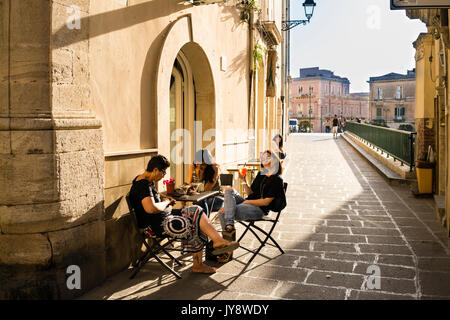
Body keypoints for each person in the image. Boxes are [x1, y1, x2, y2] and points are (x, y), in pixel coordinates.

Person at [128, 155, 239, 274]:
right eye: (163, 172)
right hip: (158, 226)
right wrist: (166, 202)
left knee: (196, 209)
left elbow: (150, 196)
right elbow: (151, 208)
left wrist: (164, 197)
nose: (163, 175)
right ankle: (198, 265)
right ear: (155, 170)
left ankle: (217, 240)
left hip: (165, 218)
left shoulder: (144, 180)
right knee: (195, 223)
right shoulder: (143, 184)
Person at [218, 150, 286, 248]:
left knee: (222, 212)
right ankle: (229, 227)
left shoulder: (277, 180)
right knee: (229, 190)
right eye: (263, 159)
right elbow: (250, 193)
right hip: (249, 203)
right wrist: (243, 180)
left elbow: (266, 202)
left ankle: (227, 245)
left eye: (268, 158)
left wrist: (247, 202)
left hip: (259, 210)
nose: (264, 160)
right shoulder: (261, 174)